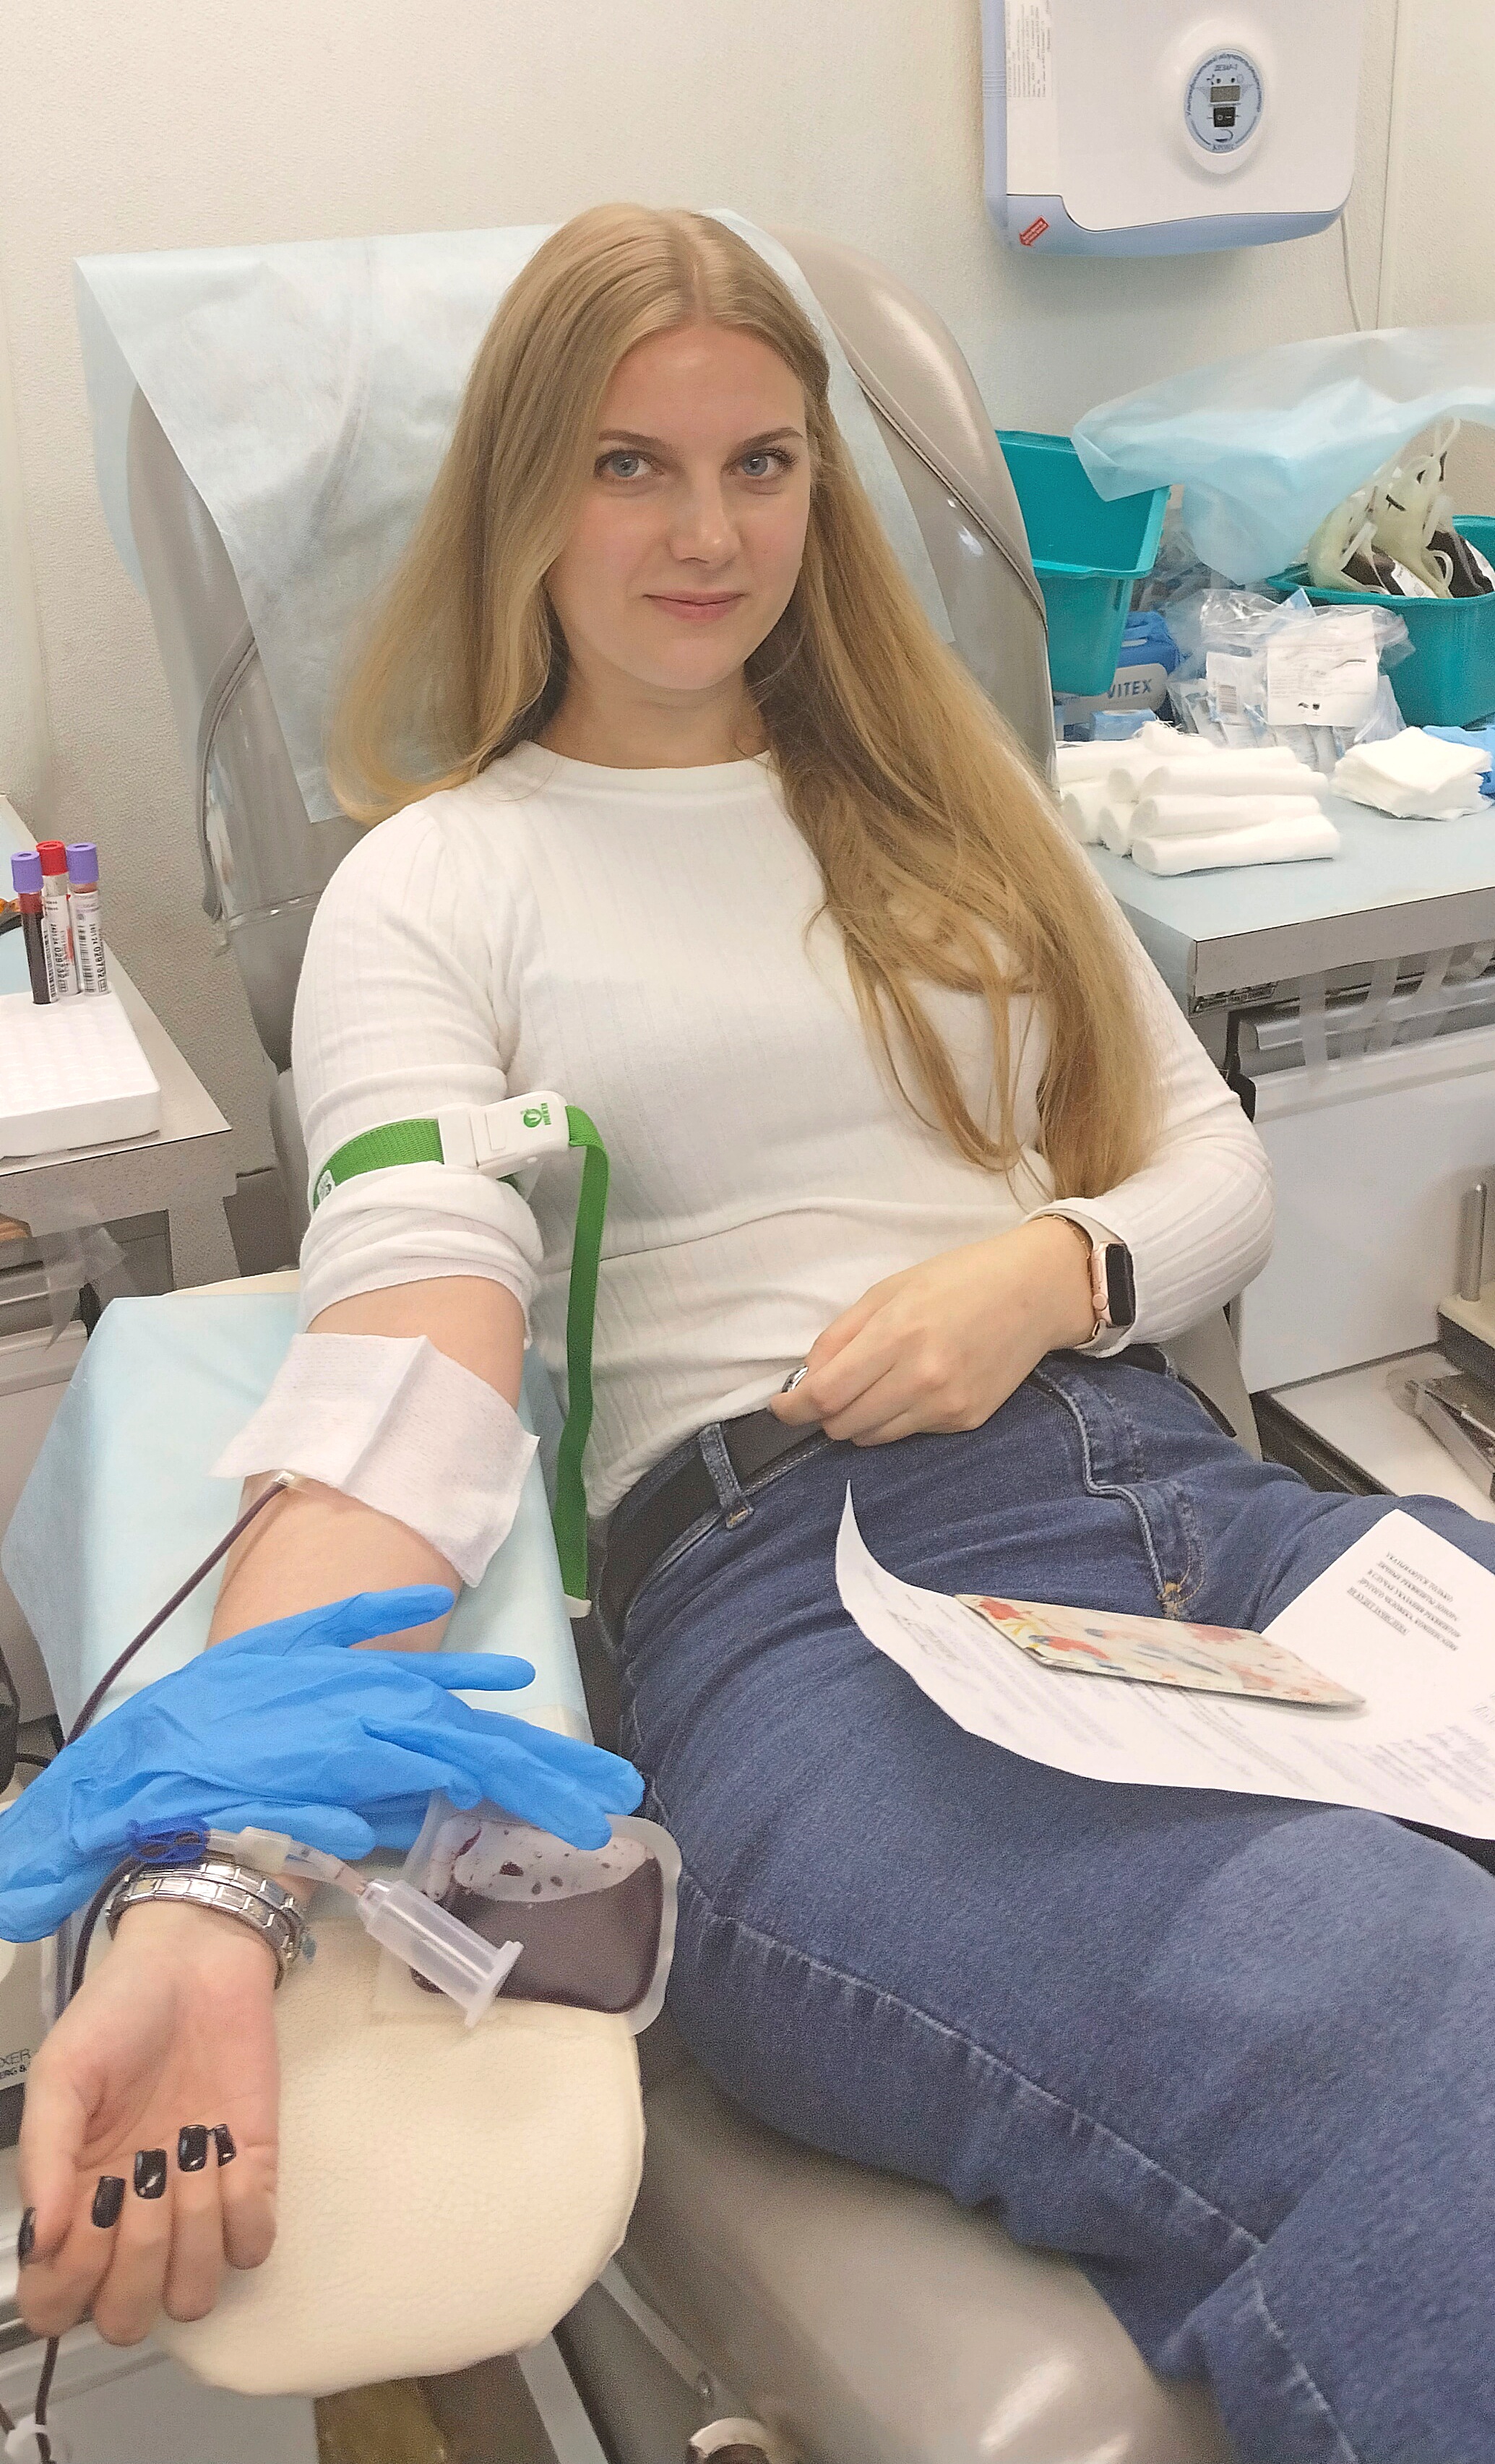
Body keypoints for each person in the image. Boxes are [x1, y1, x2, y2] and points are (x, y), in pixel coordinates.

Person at [17, 204, 1495, 2459]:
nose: (707, 534)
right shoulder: (441, 881)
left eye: (761, 465)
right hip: (811, 1618)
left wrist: (1051, 1271)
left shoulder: (953, 795)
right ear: (522, 495)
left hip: (1192, 1512)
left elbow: (1209, 1163)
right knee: (1400, 2008)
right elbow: (407, 1372)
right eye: (629, 465)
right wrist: (216, 1871)